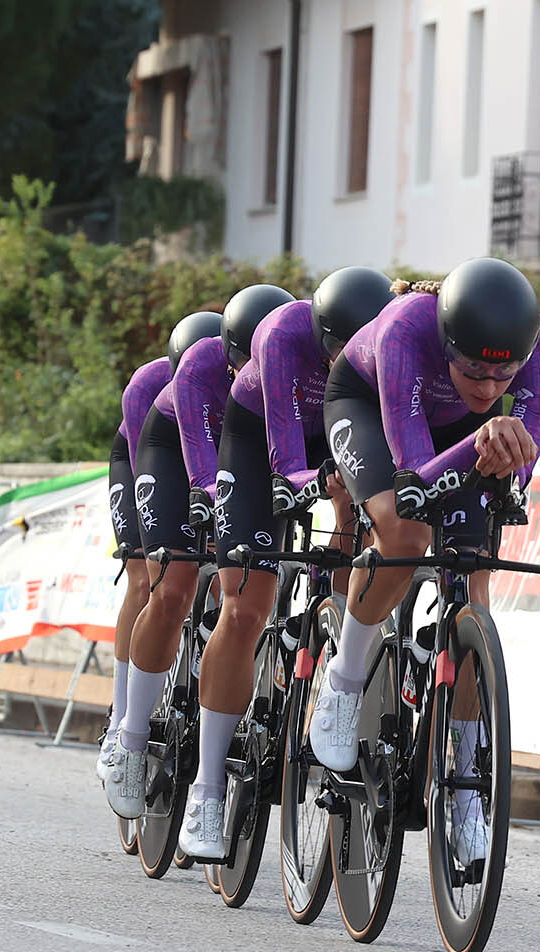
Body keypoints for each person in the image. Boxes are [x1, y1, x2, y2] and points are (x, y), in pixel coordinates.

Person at [312, 257, 540, 862]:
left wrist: (500, 462)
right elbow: (412, 482)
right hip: (371, 407)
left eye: (504, 374)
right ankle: (344, 682)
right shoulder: (405, 329)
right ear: (447, 341)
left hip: (467, 434)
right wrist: (481, 445)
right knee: (405, 536)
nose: (487, 385)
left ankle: (462, 790)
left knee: (475, 592)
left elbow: (515, 476)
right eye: (473, 368)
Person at [179, 266, 394, 859]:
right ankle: (208, 784)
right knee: (245, 608)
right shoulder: (281, 335)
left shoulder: (381, 353)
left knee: (358, 540)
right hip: (258, 439)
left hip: (335, 431)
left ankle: (328, 652)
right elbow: (283, 448)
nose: (340, 361)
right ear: (321, 336)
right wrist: (307, 482)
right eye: (334, 351)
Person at [105, 284, 294, 821]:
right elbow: (198, 468)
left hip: (240, 457)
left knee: (245, 585)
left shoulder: (287, 372)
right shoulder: (175, 379)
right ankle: (128, 731)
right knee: (160, 582)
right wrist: (208, 519)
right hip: (160, 453)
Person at [97, 312, 218, 772]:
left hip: (213, 462)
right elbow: (150, 470)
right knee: (148, 580)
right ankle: (120, 717)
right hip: (145, 460)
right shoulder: (149, 384)